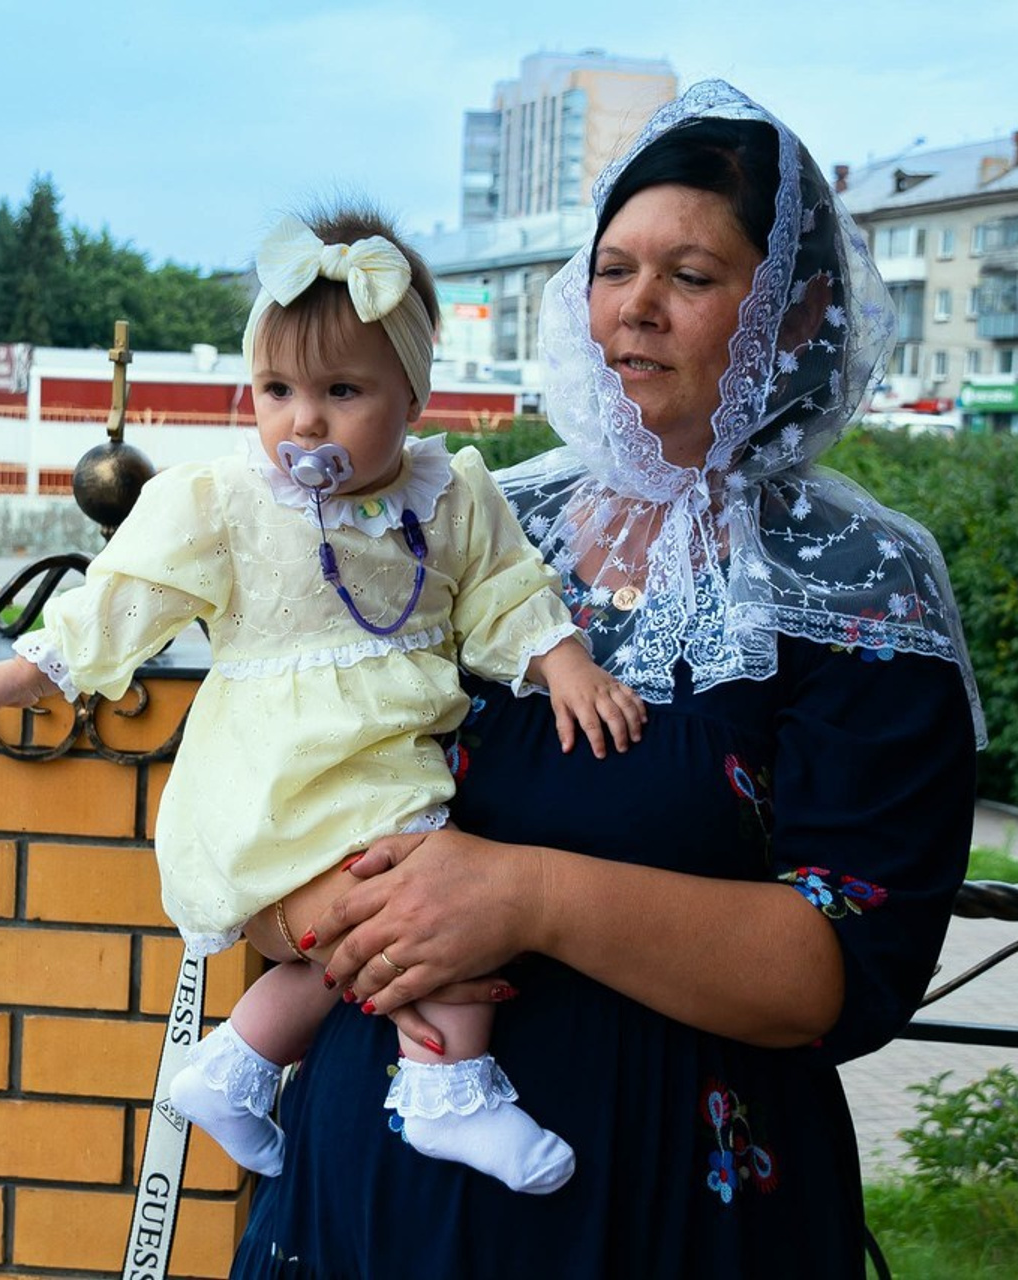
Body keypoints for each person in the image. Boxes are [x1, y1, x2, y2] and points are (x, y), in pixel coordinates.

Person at [230, 81, 986, 1279]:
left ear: (794, 314)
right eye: (612, 267)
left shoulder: (860, 581)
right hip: (362, 1211)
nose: (633, 308)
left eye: (688, 276)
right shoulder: (460, 519)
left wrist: (525, 896)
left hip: (668, 1222)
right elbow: (265, 773)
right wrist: (295, 912)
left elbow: (838, 964)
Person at [0, 206, 647, 1196]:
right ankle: (447, 1086)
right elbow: (127, 587)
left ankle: (232, 1065)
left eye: (340, 390)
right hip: (277, 779)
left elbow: (502, 589)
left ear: (409, 392)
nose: (301, 421)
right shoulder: (229, 502)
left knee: (389, 923)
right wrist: (41, 664)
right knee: (415, 906)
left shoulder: (450, 496)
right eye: (275, 390)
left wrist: (559, 657)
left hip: (382, 770)